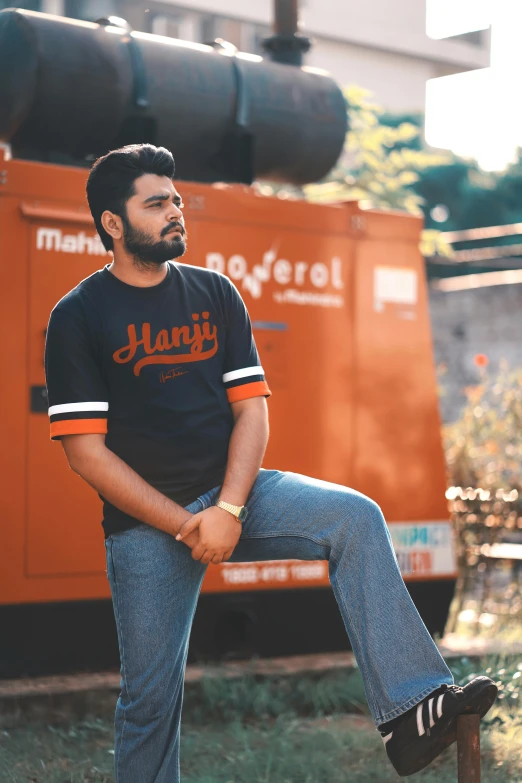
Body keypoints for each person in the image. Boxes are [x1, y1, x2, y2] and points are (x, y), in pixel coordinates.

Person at [44, 143, 496, 781]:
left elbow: (251, 411)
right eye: (156, 203)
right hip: (146, 522)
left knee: (354, 518)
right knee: (149, 700)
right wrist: (185, 524)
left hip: (236, 492)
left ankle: (415, 711)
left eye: (176, 199)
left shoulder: (214, 292)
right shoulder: (79, 315)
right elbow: (86, 453)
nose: (175, 211)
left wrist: (228, 509)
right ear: (113, 224)